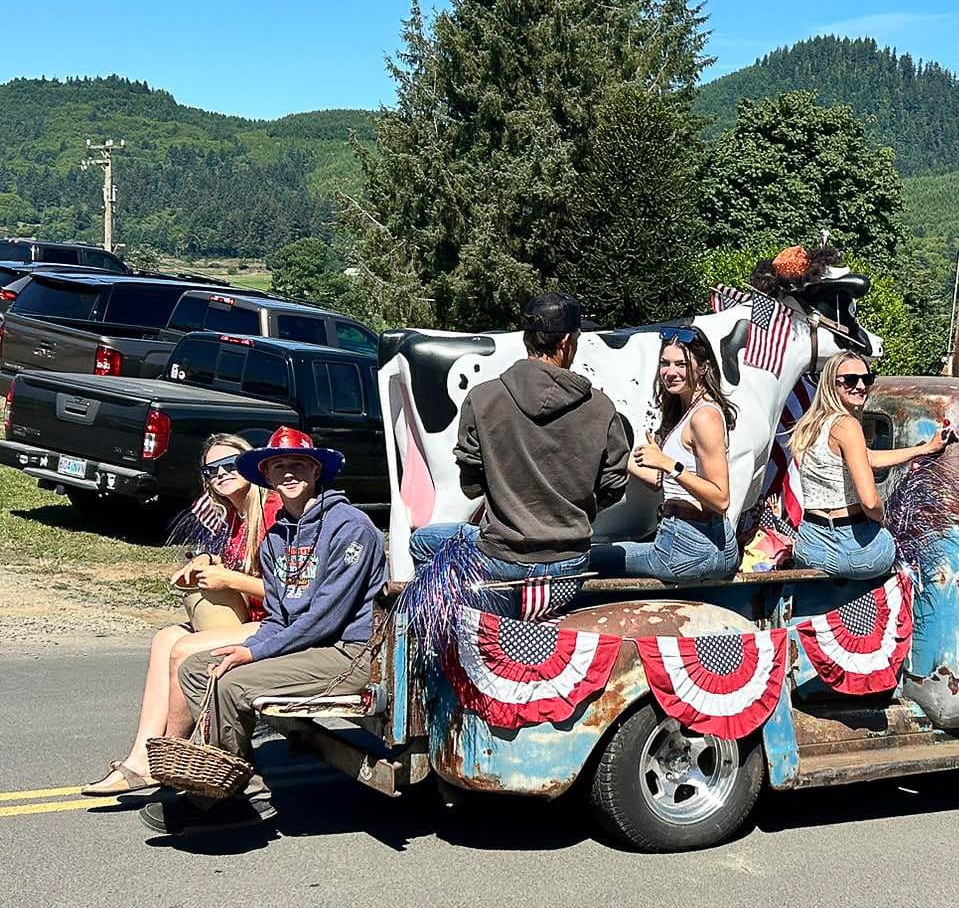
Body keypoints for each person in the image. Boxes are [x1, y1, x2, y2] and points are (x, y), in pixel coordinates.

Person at [140, 426, 387, 835]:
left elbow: (325, 617)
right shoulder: (275, 537)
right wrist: (254, 644)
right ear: (267, 477)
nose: (288, 474)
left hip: (350, 652)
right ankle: (221, 780)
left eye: (297, 465)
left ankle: (229, 797)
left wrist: (254, 653)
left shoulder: (351, 528)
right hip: (305, 650)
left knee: (233, 685)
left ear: (316, 470)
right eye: (278, 467)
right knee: (198, 669)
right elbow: (277, 615)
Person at [81, 434, 281, 796]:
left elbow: (291, 594)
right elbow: (243, 569)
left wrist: (228, 578)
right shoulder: (237, 516)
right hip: (254, 620)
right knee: (165, 638)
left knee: (184, 648)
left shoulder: (272, 513)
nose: (221, 475)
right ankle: (142, 758)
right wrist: (209, 561)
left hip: (280, 625)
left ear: (251, 465)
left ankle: (172, 755)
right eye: (212, 470)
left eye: (229, 465)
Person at [407, 292, 631, 613]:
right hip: (568, 566)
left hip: (500, 560)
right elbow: (613, 486)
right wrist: (573, 513)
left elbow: (470, 482)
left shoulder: (483, 398)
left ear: (528, 339)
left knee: (423, 542)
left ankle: (456, 630)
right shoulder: (600, 407)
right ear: (567, 341)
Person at [592, 327, 740, 582]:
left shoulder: (704, 417)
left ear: (703, 367)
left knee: (586, 559)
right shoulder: (689, 412)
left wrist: (668, 464)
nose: (670, 372)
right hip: (703, 543)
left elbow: (721, 498)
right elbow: (662, 483)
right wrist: (619, 455)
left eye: (681, 364)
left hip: (686, 548)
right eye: (665, 363)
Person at [790, 352, 953, 580]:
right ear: (830, 384)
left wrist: (922, 449)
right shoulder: (847, 425)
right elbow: (869, 502)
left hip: (810, 544)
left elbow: (867, 457)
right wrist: (883, 517)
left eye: (866, 379)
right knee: (908, 549)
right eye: (850, 380)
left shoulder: (810, 424)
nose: (860, 386)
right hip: (851, 546)